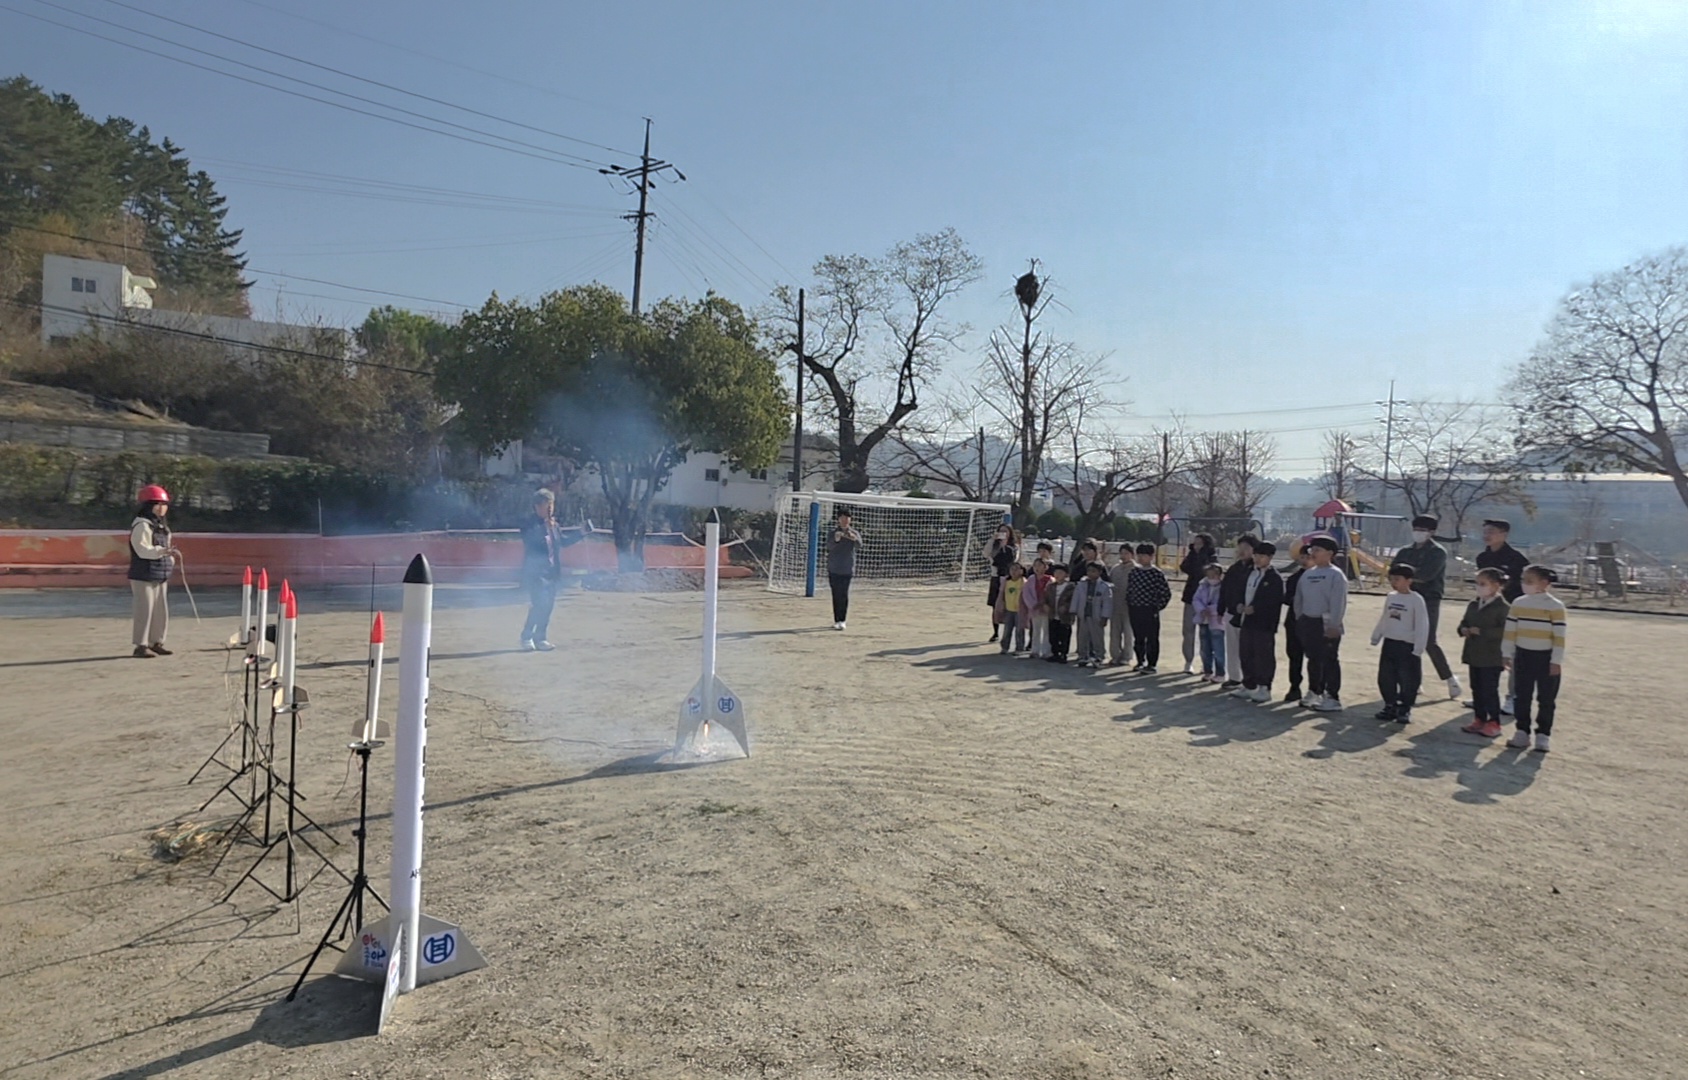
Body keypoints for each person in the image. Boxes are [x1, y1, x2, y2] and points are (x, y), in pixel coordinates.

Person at [1503, 565, 1568, 753]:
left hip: (1546, 657)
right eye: (1523, 580)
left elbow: (1559, 636)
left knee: (1546, 698)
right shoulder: (1518, 603)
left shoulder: (1555, 606)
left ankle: (1543, 735)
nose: (1525, 584)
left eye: (1530, 581)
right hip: (1523, 655)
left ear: (1544, 584)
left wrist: (1556, 660)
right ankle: (1522, 732)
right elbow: (1510, 631)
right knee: (1522, 696)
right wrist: (1506, 653)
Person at [1474, 518, 1529, 714]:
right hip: (1487, 611)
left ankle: (1513, 698)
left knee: (1511, 656)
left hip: (1511, 612)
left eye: (1492, 531)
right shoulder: (1482, 558)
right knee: (1487, 654)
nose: (1487, 535)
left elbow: (1524, 588)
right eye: (1485, 531)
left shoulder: (1517, 560)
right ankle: (1484, 695)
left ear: (1504, 535)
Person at [1404, 514, 1460, 701]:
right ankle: (1413, 680)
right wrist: (1406, 576)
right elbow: (1394, 572)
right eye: (1416, 529)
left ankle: (1450, 679)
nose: (1418, 533)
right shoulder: (1405, 551)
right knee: (1408, 641)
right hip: (1407, 597)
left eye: (1422, 530)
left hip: (1429, 599)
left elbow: (1427, 575)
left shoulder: (1437, 552)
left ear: (1432, 532)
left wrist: (1406, 575)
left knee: (1428, 641)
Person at [519, 490, 585, 650]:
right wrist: (544, 528)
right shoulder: (529, 524)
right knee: (539, 604)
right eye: (545, 505)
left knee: (548, 606)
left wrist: (581, 533)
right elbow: (530, 542)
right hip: (536, 573)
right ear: (536, 507)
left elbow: (563, 542)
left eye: (551, 504)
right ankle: (526, 635)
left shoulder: (554, 526)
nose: (549, 508)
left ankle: (541, 637)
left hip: (552, 572)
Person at [1294, 535, 1348, 712]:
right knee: (1313, 658)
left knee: (1329, 659)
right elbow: (1299, 598)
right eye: (1312, 550)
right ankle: (1314, 691)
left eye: (1317, 550)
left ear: (1330, 553)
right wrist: (1300, 617)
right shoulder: (1309, 574)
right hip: (1308, 622)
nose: (1313, 553)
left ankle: (1332, 697)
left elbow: (1338, 602)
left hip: (1326, 624)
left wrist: (1334, 624)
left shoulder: (1336, 575)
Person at [1370, 563, 1430, 723]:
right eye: (1391, 579)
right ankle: (1390, 705)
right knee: (1386, 677)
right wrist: (1377, 635)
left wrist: (1418, 647)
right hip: (1390, 643)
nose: (1393, 582)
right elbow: (1385, 617)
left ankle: (1405, 708)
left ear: (1409, 580)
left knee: (1407, 679)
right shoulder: (1391, 597)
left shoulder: (1416, 600)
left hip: (1407, 646)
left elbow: (1422, 625)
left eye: (1397, 579)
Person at [1457, 567, 1511, 738]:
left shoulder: (1503, 607)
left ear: (1496, 585)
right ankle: (1479, 719)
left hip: (1492, 656)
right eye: (1477, 583)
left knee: (1489, 689)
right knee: (1476, 688)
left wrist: (1483, 632)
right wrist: (1463, 629)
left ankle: (1494, 722)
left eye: (1483, 584)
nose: (1479, 587)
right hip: (1474, 653)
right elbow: (1463, 622)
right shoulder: (1474, 604)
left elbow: (1506, 631)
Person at [128, 484, 179, 658]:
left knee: (160, 610)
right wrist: (162, 552)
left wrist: (169, 558)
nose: (162, 507)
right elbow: (142, 550)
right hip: (143, 573)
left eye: (164, 504)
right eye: (157, 503)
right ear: (148, 506)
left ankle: (156, 642)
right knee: (144, 609)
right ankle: (140, 645)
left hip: (160, 572)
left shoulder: (162, 527)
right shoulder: (142, 526)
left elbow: (165, 547)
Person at [1233, 541, 1285, 703]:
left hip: (1264, 623)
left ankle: (1264, 687)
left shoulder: (1274, 578)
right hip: (1246, 620)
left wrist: (1256, 608)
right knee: (1246, 652)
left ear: (1269, 558)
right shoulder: (1249, 572)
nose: (1257, 559)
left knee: (1263, 655)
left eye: (1262, 556)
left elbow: (1274, 601)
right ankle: (1248, 684)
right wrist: (1239, 604)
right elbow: (1239, 590)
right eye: (1256, 555)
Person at [1124, 542, 1172, 673]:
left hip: (1150, 610)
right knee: (1138, 637)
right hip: (1135, 608)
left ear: (1151, 556)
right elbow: (1129, 590)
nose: (1141, 558)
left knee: (1151, 638)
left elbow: (1165, 593)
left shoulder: (1157, 573)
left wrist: (1157, 607)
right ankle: (1140, 661)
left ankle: (1151, 664)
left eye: (1144, 555)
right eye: (1139, 555)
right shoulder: (1134, 572)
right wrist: (1130, 602)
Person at [1218, 535, 1257, 688]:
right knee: (1232, 646)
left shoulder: (1256, 570)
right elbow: (1224, 589)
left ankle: (1249, 680)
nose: (1242, 551)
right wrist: (1221, 608)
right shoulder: (1234, 568)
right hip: (1232, 612)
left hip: (1248, 615)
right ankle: (1234, 677)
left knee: (1247, 649)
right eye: (1240, 548)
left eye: (1246, 548)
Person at [1177, 533, 1217, 674]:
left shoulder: (1211, 557)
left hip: (1207, 599)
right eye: (1195, 543)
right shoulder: (1191, 555)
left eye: (1199, 543)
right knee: (1188, 630)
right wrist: (1193, 554)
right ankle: (1188, 661)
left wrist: (1201, 557)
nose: (1196, 546)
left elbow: (1209, 572)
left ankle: (1207, 664)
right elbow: (1184, 567)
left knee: (1206, 633)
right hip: (1190, 597)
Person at [1070, 560, 1113, 669]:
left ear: (1099, 572)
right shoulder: (1081, 585)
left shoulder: (1104, 587)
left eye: (1093, 571)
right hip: (1083, 614)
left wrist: (1105, 616)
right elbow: (1076, 599)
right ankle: (1083, 656)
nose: (1090, 573)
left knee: (1097, 637)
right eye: (1089, 571)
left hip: (1097, 616)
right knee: (1082, 636)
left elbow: (1107, 603)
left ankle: (1099, 656)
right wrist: (1073, 612)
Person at [828, 511, 863, 631]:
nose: (845, 520)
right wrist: (836, 540)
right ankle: (836, 619)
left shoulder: (854, 532)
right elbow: (829, 547)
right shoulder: (833, 532)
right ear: (838, 519)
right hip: (834, 567)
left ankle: (842, 620)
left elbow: (859, 546)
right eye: (843, 518)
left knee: (844, 594)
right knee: (835, 594)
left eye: (847, 518)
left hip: (847, 568)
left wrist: (854, 539)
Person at [1191, 563, 1226, 682]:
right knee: (1205, 648)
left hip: (1217, 621)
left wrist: (1211, 610)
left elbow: (1224, 603)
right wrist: (1201, 610)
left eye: (1214, 574)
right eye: (1209, 574)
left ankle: (1220, 672)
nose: (1212, 576)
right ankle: (1207, 671)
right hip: (1203, 619)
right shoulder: (1202, 585)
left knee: (1218, 648)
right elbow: (1196, 599)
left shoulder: (1224, 587)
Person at [985, 525, 1019, 642]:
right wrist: (992, 540)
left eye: (1006, 531)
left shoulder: (1014, 547)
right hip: (995, 577)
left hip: (1008, 578)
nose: (1003, 533)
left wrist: (1005, 546)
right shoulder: (994, 545)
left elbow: (1013, 560)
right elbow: (986, 554)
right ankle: (995, 632)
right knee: (995, 605)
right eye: (1001, 531)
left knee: (1010, 605)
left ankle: (1009, 632)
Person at [1106, 545, 1136, 667]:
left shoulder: (1135, 569)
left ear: (1131, 554)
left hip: (1130, 606)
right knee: (1114, 632)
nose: (1123, 556)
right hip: (1115, 604)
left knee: (1128, 632)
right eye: (1121, 553)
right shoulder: (1115, 569)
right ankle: (1115, 655)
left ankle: (1127, 656)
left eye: (1126, 553)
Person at [995, 562, 1028, 654]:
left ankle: (1019, 648)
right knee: (1007, 629)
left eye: (1016, 569)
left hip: (1019, 610)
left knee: (1019, 630)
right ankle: (1005, 647)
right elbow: (1001, 594)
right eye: (1012, 569)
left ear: (1021, 571)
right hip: (1009, 609)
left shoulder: (1024, 582)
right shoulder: (1006, 582)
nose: (1014, 571)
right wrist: (1000, 605)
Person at [1025, 558, 1054, 659]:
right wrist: (1033, 605)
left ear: (1045, 567)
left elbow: (1052, 595)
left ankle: (1046, 651)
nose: (1037, 568)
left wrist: (1046, 605)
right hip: (1035, 609)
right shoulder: (1031, 579)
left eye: (1039, 565)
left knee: (1046, 630)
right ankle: (1035, 650)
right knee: (1035, 630)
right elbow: (1026, 594)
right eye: (1035, 565)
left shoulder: (1050, 580)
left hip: (1046, 609)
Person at [1046, 564, 1074, 664]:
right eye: (1056, 573)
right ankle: (1055, 653)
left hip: (1065, 617)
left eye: (1060, 573)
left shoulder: (1071, 587)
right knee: (1053, 636)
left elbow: (1073, 600)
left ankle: (1063, 654)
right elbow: (1046, 599)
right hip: (1053, 615)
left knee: (1064, 636)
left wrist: (1066, 607)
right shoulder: (1050, 587)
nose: (1057, 575)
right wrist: (1046, 606)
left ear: (1066, 575)